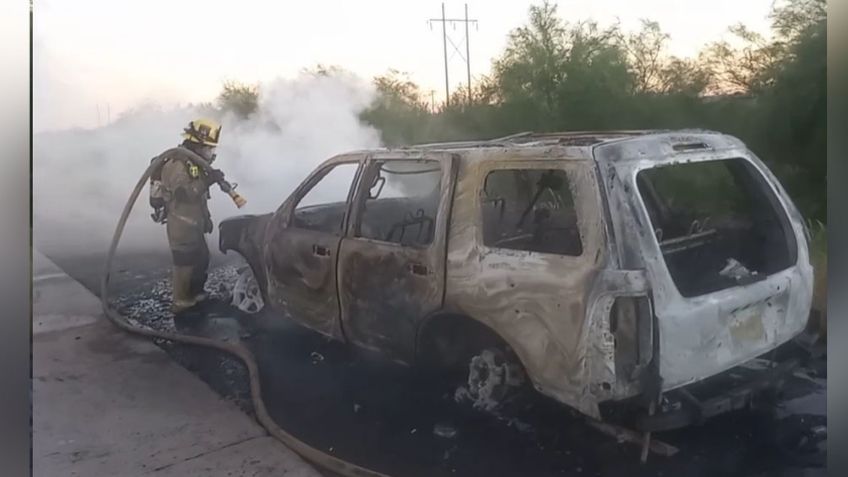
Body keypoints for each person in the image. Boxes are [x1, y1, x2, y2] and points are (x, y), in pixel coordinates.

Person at [158, 118, 226, 313]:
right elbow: (184, 194)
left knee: (202, 258)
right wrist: (207, 181)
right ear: (197, 144)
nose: (211, 153)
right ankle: (181, 304)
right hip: (181, 225)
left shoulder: (192, 163)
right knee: (185, 264)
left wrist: (207, 218)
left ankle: (196, 294)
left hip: (194, 223)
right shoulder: (177, 164)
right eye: (208, 148)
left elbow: (200, 199)